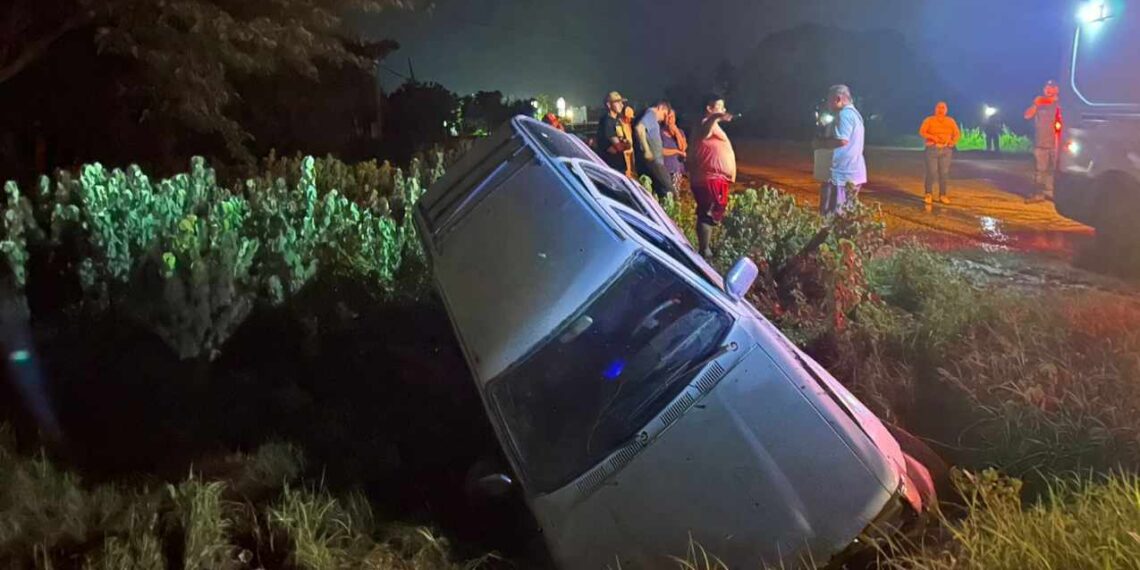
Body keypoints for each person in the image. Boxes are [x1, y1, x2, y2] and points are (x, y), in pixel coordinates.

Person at [687, 95, 737, 258]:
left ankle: (707, 248)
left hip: (715, 179)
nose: (723, 110)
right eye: (719, 107)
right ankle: (704, 251)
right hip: (708, 178)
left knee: (712, 211)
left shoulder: (713, 125)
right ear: (709, 108)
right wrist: (715, 117)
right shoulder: (705, 123)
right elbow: (705, 132)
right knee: (707, 212)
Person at [812, 84, 867, 216]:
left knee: (831, 216)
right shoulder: (855, 115)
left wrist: (820, 143)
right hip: (851, 173)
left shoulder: (844, 115)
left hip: (840, 175)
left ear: (838, 99)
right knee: (847, 216)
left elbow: (842, 140)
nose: (828, 104)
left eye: (829, 100)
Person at [1024, 80, 1062, 203]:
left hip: (1057, 143)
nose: (1048, 89)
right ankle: (1038, 194)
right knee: (1040, 170)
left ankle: (1053, 194)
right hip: (1040, 143)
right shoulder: (1040, 103)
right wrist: (1035, 104)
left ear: (1057, 89)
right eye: (1046, 87)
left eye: (1052, 87)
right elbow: (1027, 116)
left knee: (1056, 170)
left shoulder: (1062, 103)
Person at [918, 101, 961, 205]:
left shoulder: (950, 121)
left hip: (946, 150)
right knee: (931, 172)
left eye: (943, 108)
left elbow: (957, 134)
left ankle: (943, 195)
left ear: (946, 110)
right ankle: (928, 194)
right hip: (932, 149)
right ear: (935, 109)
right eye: (939, 107)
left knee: (944, 173)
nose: (941, 110)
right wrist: (933, 137)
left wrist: (952, 142)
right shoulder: (929, 120)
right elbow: (922, 132)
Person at [634, 100, 676, 199]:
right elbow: (639, 128)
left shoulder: (650, 117)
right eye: (664, 114)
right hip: (654, 162)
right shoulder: (651, 114)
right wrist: (647, 150)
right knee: (669, 191)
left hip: (652, 161)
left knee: (656, 192)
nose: (664, 119)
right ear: (660, 108)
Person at [593, 91, 630, 173]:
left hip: (620, 165)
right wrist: (625, 145)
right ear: (609, 105)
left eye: (622, 102)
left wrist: (625, 144)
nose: (622, 105)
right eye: (617, 102)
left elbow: (624, 144)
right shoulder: (607, 121)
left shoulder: (617, 120)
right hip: (612, 167)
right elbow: (619, 146)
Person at [661, 108, 688, 190]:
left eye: (671, 117)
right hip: (664, 169)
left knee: (674, 194)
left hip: (676, 170)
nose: (669, 119)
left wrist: (676, 132)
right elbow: (660, 151)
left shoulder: (680, 132)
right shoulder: (659, 132)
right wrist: (676, 151)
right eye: (667, 117)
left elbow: (683, 148)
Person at [620, 105, 636, 178]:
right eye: (628, 118)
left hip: (631, 153)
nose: (629, 119)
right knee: (627, 173)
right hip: (624, 154)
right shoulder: (619, 124)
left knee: (632, 172)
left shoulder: (629, 125)